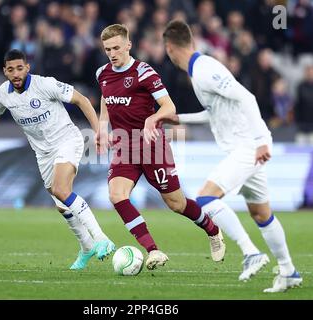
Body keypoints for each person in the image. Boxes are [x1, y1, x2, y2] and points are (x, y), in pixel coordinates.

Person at [161, 20, 303, 293]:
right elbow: (213, 112)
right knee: (261, 213)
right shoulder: (199, 71)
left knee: (205, 198)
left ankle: (251, 253)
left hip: (248, 146)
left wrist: (261, 141)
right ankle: (288, 271)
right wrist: (177, 118)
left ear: (169, 48)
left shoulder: (205, 70)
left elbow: (246, 97)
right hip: (246, 147)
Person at [0, 49, 115, 270]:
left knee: (61, 189)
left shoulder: (46, 84)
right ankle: (86, 246)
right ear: (5, 71)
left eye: (19, 68)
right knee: (62, 205)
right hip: (43, 153)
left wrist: (98, 130)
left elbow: (82, 100)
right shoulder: (3, 93)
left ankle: (101, 238)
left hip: (67, 140)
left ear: (27, 68)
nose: (16, 74)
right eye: (11, 69)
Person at [95, 24, 225, 271]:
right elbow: (105, 97)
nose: (112, 53)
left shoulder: (144, 72)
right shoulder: (102, 73)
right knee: (116, 195)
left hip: (152, 145)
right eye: (107, 49)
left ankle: (212, 229)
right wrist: (102, 128)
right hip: (125, 146)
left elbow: (169, 107)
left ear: (128, 45)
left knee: (175, 203)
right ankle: (153, 250)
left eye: (116, 48)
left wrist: (152, 118)